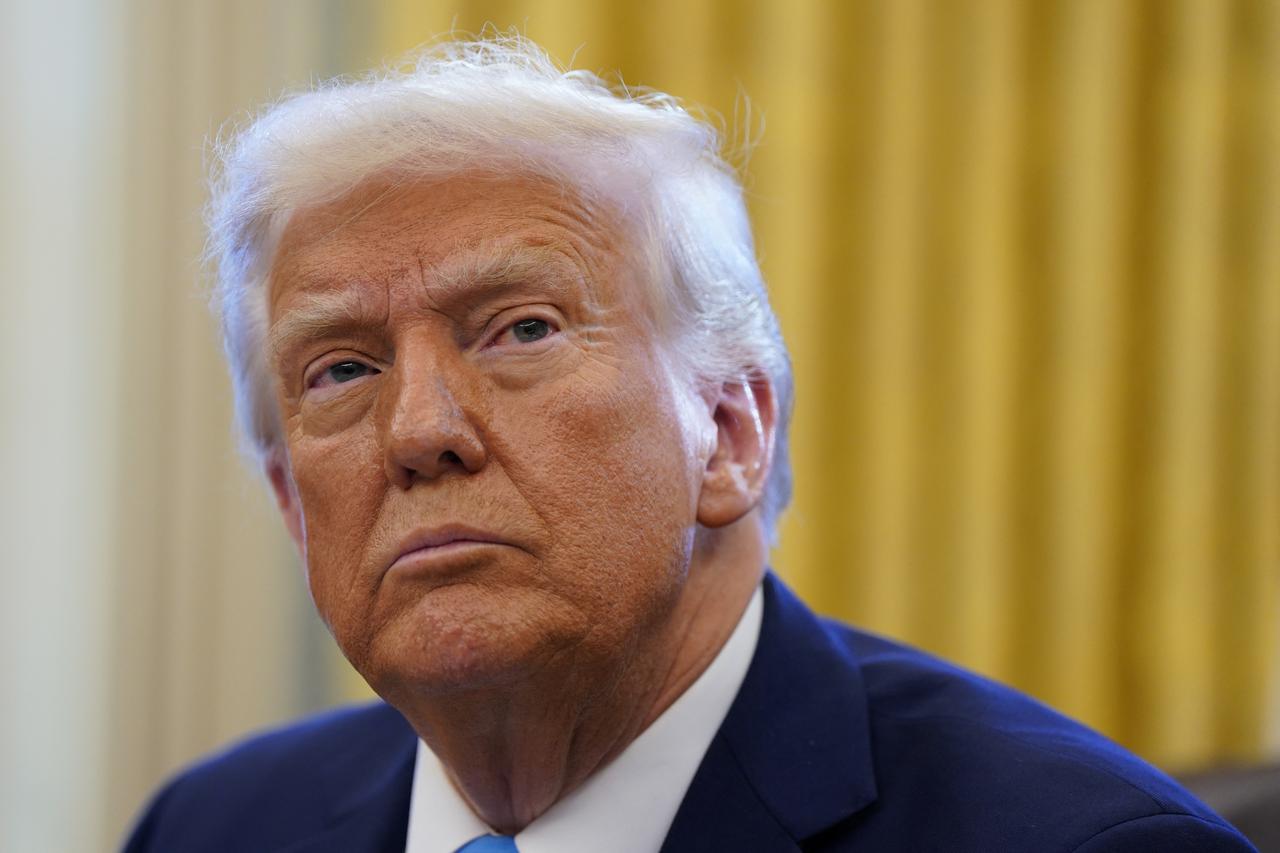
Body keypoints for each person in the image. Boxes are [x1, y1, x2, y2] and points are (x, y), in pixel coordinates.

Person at [123, 35, 1256, 853]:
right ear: (288, 496)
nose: (419, 431)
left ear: (728, 431)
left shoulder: (1075, 843)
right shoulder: (214, 826)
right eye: (343, 369)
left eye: (520, 329)